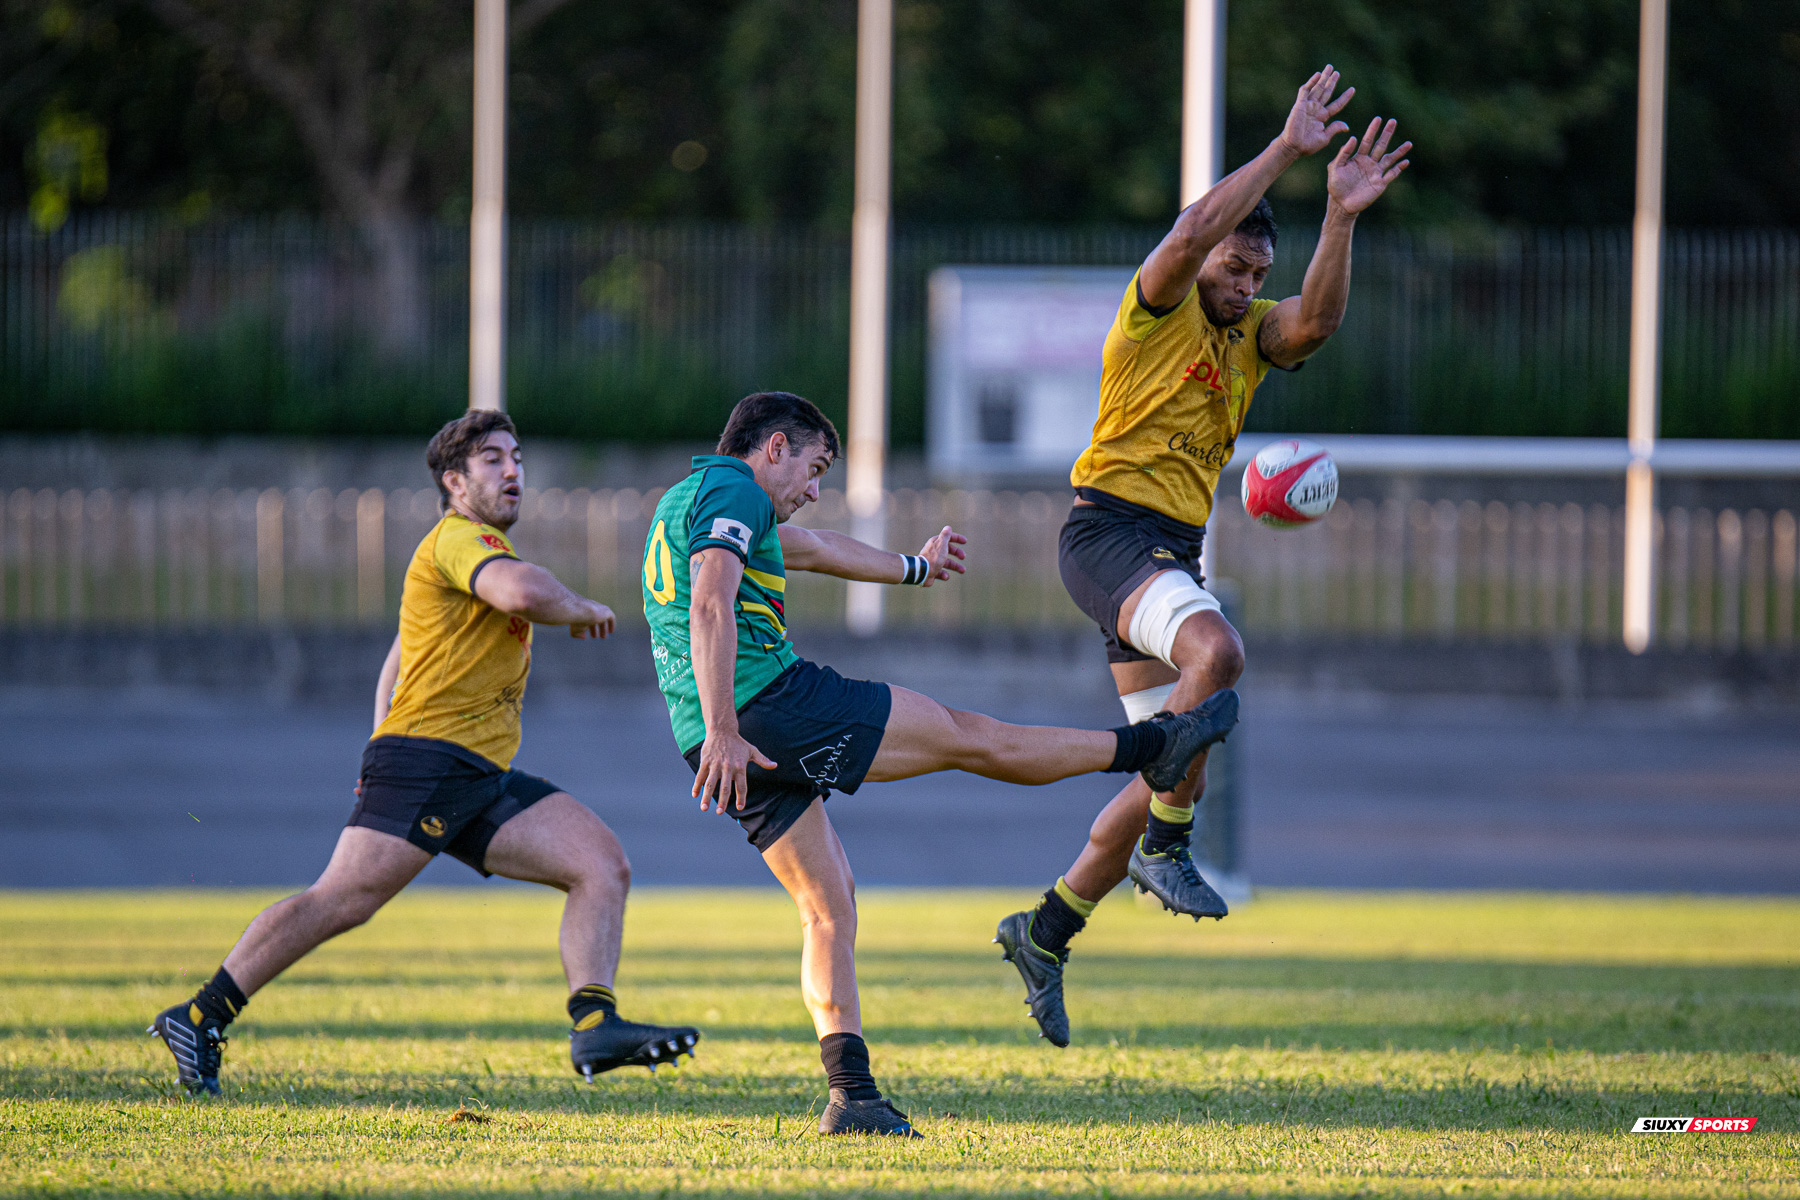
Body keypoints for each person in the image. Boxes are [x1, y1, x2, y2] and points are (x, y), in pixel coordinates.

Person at [642, 390, 1238, 1136]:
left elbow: (818, 548)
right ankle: (1154, 746)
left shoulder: (688, 501)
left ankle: (851, 1096)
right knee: (968, 736)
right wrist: (732, 725)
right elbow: (709, 604)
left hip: (707, 736)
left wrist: (914, 570)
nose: (813, 489)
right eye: (814, 468)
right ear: (772, 449)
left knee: (829, 907)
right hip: (761, 708)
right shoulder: (734, 487)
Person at [997, 66, 1412, 1046]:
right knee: (1217, 657)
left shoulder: (1249, 337)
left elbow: (1317, 323)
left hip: (1164, 549)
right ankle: (1168, 852)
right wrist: (1286, 151)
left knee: (1173, 769)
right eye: (1235, 268)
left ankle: (1047, 929)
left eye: (1255, 274)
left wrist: (1339, 217)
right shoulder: (1162, 307)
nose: (1244, 284)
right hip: (1107, 532)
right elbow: (1185, 237)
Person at [150, 410, 697, 1096]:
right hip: (432, 763)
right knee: (342, 901)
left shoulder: (464, 553)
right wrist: (579, 603)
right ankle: (199, 1015)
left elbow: (400, 654)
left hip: (474, 771)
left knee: (599, 864)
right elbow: (522, 591)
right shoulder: (463, 542)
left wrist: (378, 738)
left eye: (517, 457)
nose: (512, 470)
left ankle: (594, 1024)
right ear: (454, 480)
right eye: (492, 459)